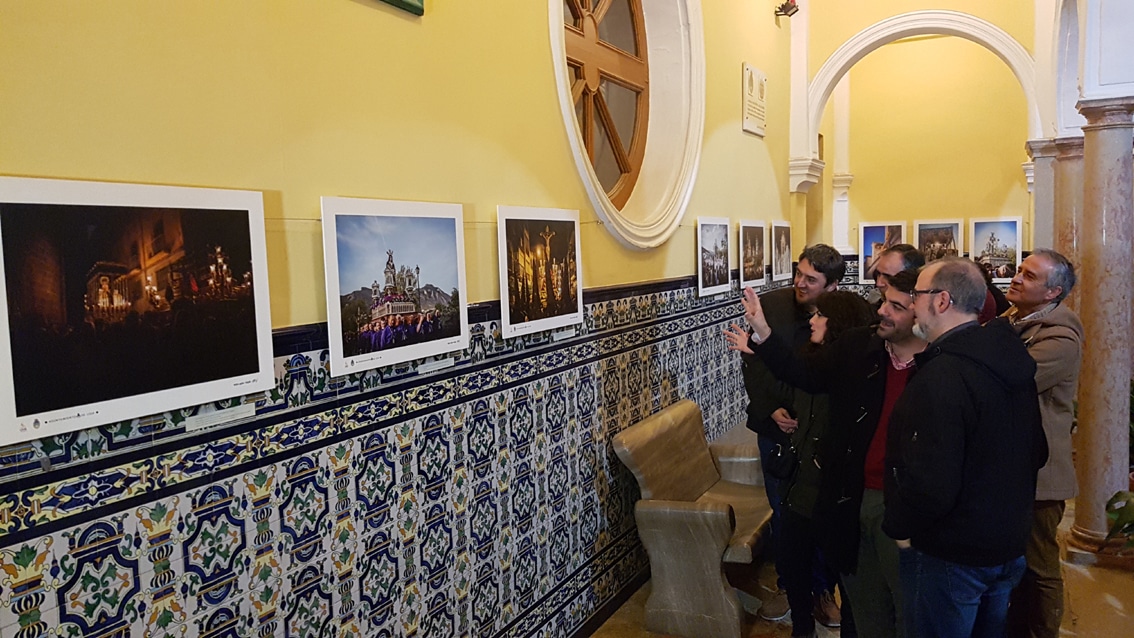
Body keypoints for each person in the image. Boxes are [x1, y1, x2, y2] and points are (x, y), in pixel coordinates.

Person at [727, 269, 927, 638]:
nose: (882, 310)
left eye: (896, 306)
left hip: (895, 501)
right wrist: (762, 335)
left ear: (925, 312)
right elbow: (798, 376)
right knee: (861, 599)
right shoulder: (859, 349)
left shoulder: (936, 364)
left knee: (903, 606)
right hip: (841, 492)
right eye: (885, 301)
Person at [883, 257, 1047, 638]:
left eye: (917, 295)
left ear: (941, 301)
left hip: (952, 554)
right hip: (1006, 544)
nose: (913, 305)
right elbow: (1037, 451)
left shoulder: (942, 374)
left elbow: (931, 482)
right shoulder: (1009, 357)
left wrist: (900, 526)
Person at [740, 243, 845, 628]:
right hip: (775, 429)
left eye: (811, 279)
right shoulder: (771, 305)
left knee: (821, 516)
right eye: (798, 273)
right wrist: (771, 408)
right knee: (784, 514)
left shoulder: (843, 315)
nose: (800, 283)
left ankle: (821, 590)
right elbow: (752, 362)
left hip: (818, 434)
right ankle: (789, 585)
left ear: (832, 286)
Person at [1001, 250, 1083, 638]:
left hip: (1041, 472)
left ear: (1053, 292)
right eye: (1019, 270)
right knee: (1013, 562)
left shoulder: (1061, 337)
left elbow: (1012, 381)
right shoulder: (1011, 321)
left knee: (1040, 566)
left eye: (1029, 276)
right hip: (1012, 465)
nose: (1017, 278)